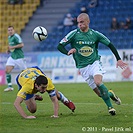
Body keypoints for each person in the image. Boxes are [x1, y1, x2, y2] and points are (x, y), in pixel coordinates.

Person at [57, 13, 127, 116]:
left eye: (82, 22)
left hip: (94, 63)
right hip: (82, 68)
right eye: (78, 23)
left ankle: (110, 107)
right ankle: (110, 94)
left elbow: (110, 44)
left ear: (88, 22)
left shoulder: (95, 34)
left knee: (98, 82)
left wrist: (118, 59)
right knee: (100, 94)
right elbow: (60, 46)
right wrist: (67, 52)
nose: (79, 25)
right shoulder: (73, 34)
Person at [4, 26, 27, 92]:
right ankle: (10, 86)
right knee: (7, 70)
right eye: (9, 30)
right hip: (12, 57)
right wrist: (8, 50)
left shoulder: (16, 36)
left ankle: (25, 86)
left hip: (19, 57)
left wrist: (12, 47)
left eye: (11, 30)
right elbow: (10, 46)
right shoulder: (9, 37)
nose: (10, 31)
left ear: (14, 30)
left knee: (25, 73)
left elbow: (22, 45)